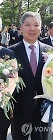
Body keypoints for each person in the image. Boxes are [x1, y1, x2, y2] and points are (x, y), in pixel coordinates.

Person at [9, 12, 53, 140]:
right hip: (19, 110)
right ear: (21, 28)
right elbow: (5, 83)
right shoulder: (10, 52)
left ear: (41, 27)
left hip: (43, 110)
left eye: (36, 25)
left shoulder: (49, 52)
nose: (32, 29)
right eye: (27, 25)